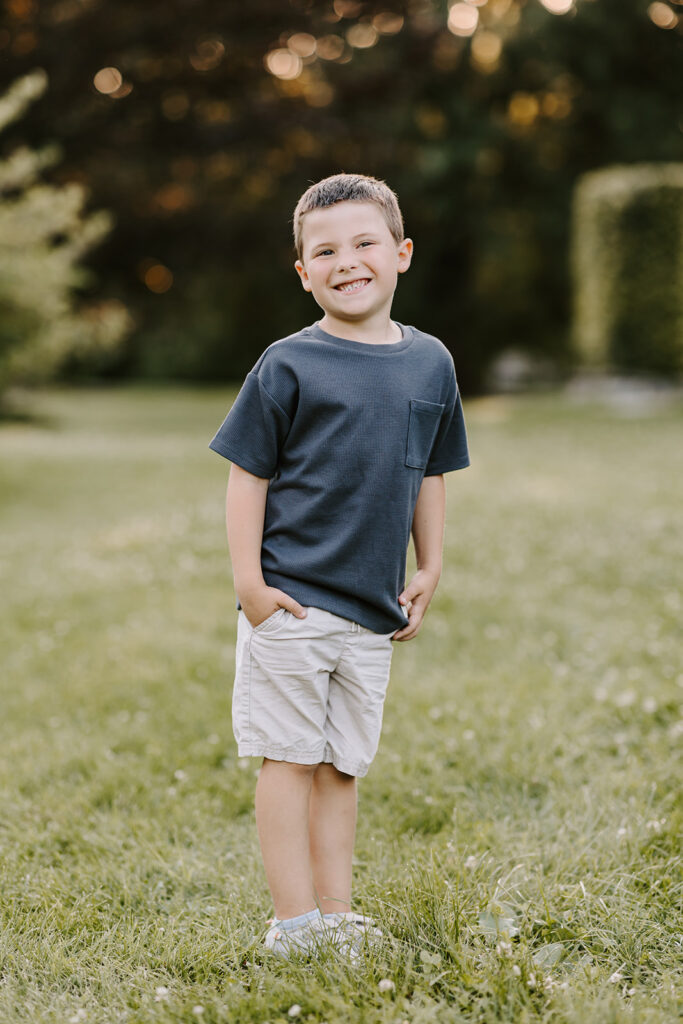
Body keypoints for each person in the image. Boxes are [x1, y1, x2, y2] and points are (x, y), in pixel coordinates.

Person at [209, 172, 470, 958]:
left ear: (401, 253)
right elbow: (245, 475)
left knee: (341, 764)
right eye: (325, 250)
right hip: (290, 601)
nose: (346, 261)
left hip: (370, 606)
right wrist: (251, 587)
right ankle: (293, 926)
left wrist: (428, 566)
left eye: (363, 244)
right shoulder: (288, 364)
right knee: (288, 758)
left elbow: (429, 470)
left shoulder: (430, 363)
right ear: (303, 272)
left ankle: (335, 913)